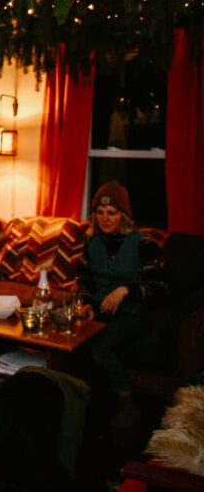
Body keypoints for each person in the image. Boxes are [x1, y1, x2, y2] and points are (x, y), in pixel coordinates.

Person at [77, 181, 168, 429]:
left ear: (123, 215)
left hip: (134, 314)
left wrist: (125, 290)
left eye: (112, 213)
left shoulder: (144, 244)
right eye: (100, 212)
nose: (105, 218)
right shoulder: (91, 240)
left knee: (100, 348)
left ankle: (127, 402)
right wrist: (85, 302)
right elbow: (84, 278)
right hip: (98, 310)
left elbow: (160, 289)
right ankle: (84, 407)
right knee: (73, 342)